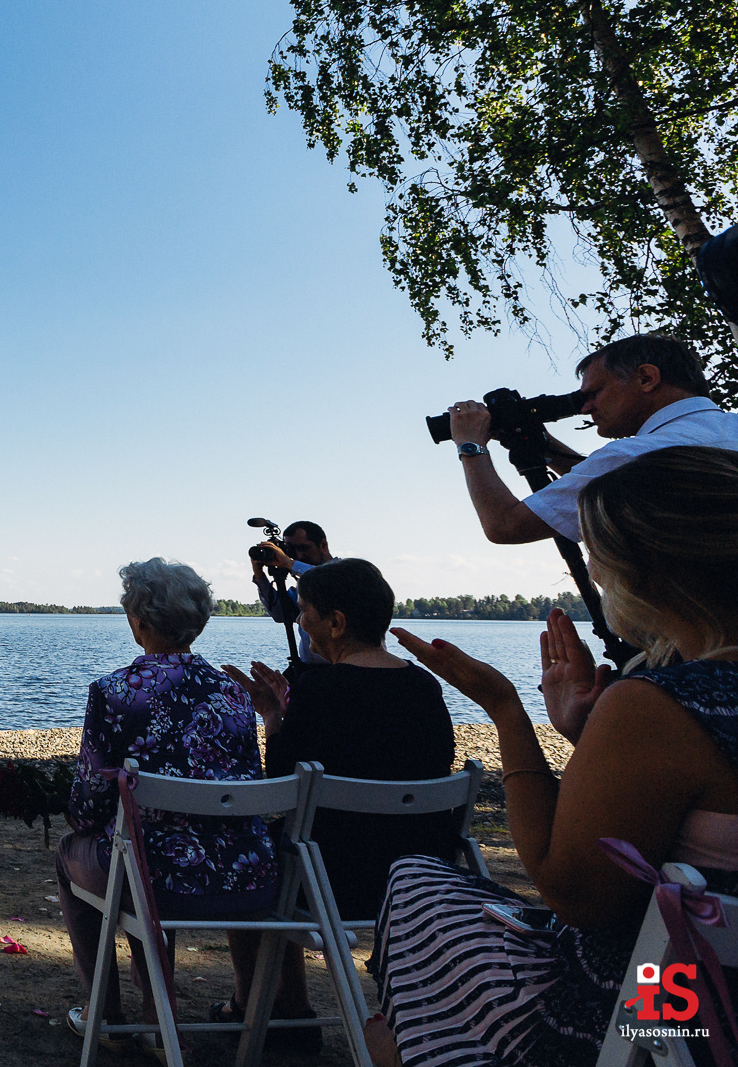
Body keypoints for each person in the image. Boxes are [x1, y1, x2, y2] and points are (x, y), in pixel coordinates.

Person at [372, 445, 738, 1067]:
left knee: (414, 889)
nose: (591, 571)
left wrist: (507, 712)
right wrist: (585, 739)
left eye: (596, 553)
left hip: (662, 1015)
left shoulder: (660, 703)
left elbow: (575, 894)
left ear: (644, 570)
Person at [221, 557, 457, 1054]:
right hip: (420, 878)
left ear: (336, 622)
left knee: (245, 856)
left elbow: (283, 783)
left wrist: (273, 717)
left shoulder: (319, 689)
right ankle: (288, 1011)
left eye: (304, 612)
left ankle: (266, 1010)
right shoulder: (424, 686)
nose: (299, 622)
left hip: (332, 882)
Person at [55, 558, 277, 1049]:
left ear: (139, 622)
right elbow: (248, 788)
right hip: (246, 880)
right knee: (138, 850)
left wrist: (86, 822)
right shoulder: (234, 695)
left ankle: (106, 1015)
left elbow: (87, 804)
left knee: (87, 852)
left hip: (157, 884)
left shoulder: (114, 694)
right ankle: (157, 1016)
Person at [450, 332, 738, 544]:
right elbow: (607, 487)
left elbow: (505, 525)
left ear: (646, 378)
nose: (586, 408)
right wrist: (546, 446)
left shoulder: (633, 457)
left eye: (594, 393)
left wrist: (470, 445)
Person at [249, 519, 334, 665]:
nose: (299, 556)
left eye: (304, 548)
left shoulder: (348, 573)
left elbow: (328, 580)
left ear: (323, 545)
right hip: (310, 670)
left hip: (347, 668)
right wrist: (260, 576)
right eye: (292, 550)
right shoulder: (303, 586)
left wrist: (289, 563)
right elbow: (281, 614)